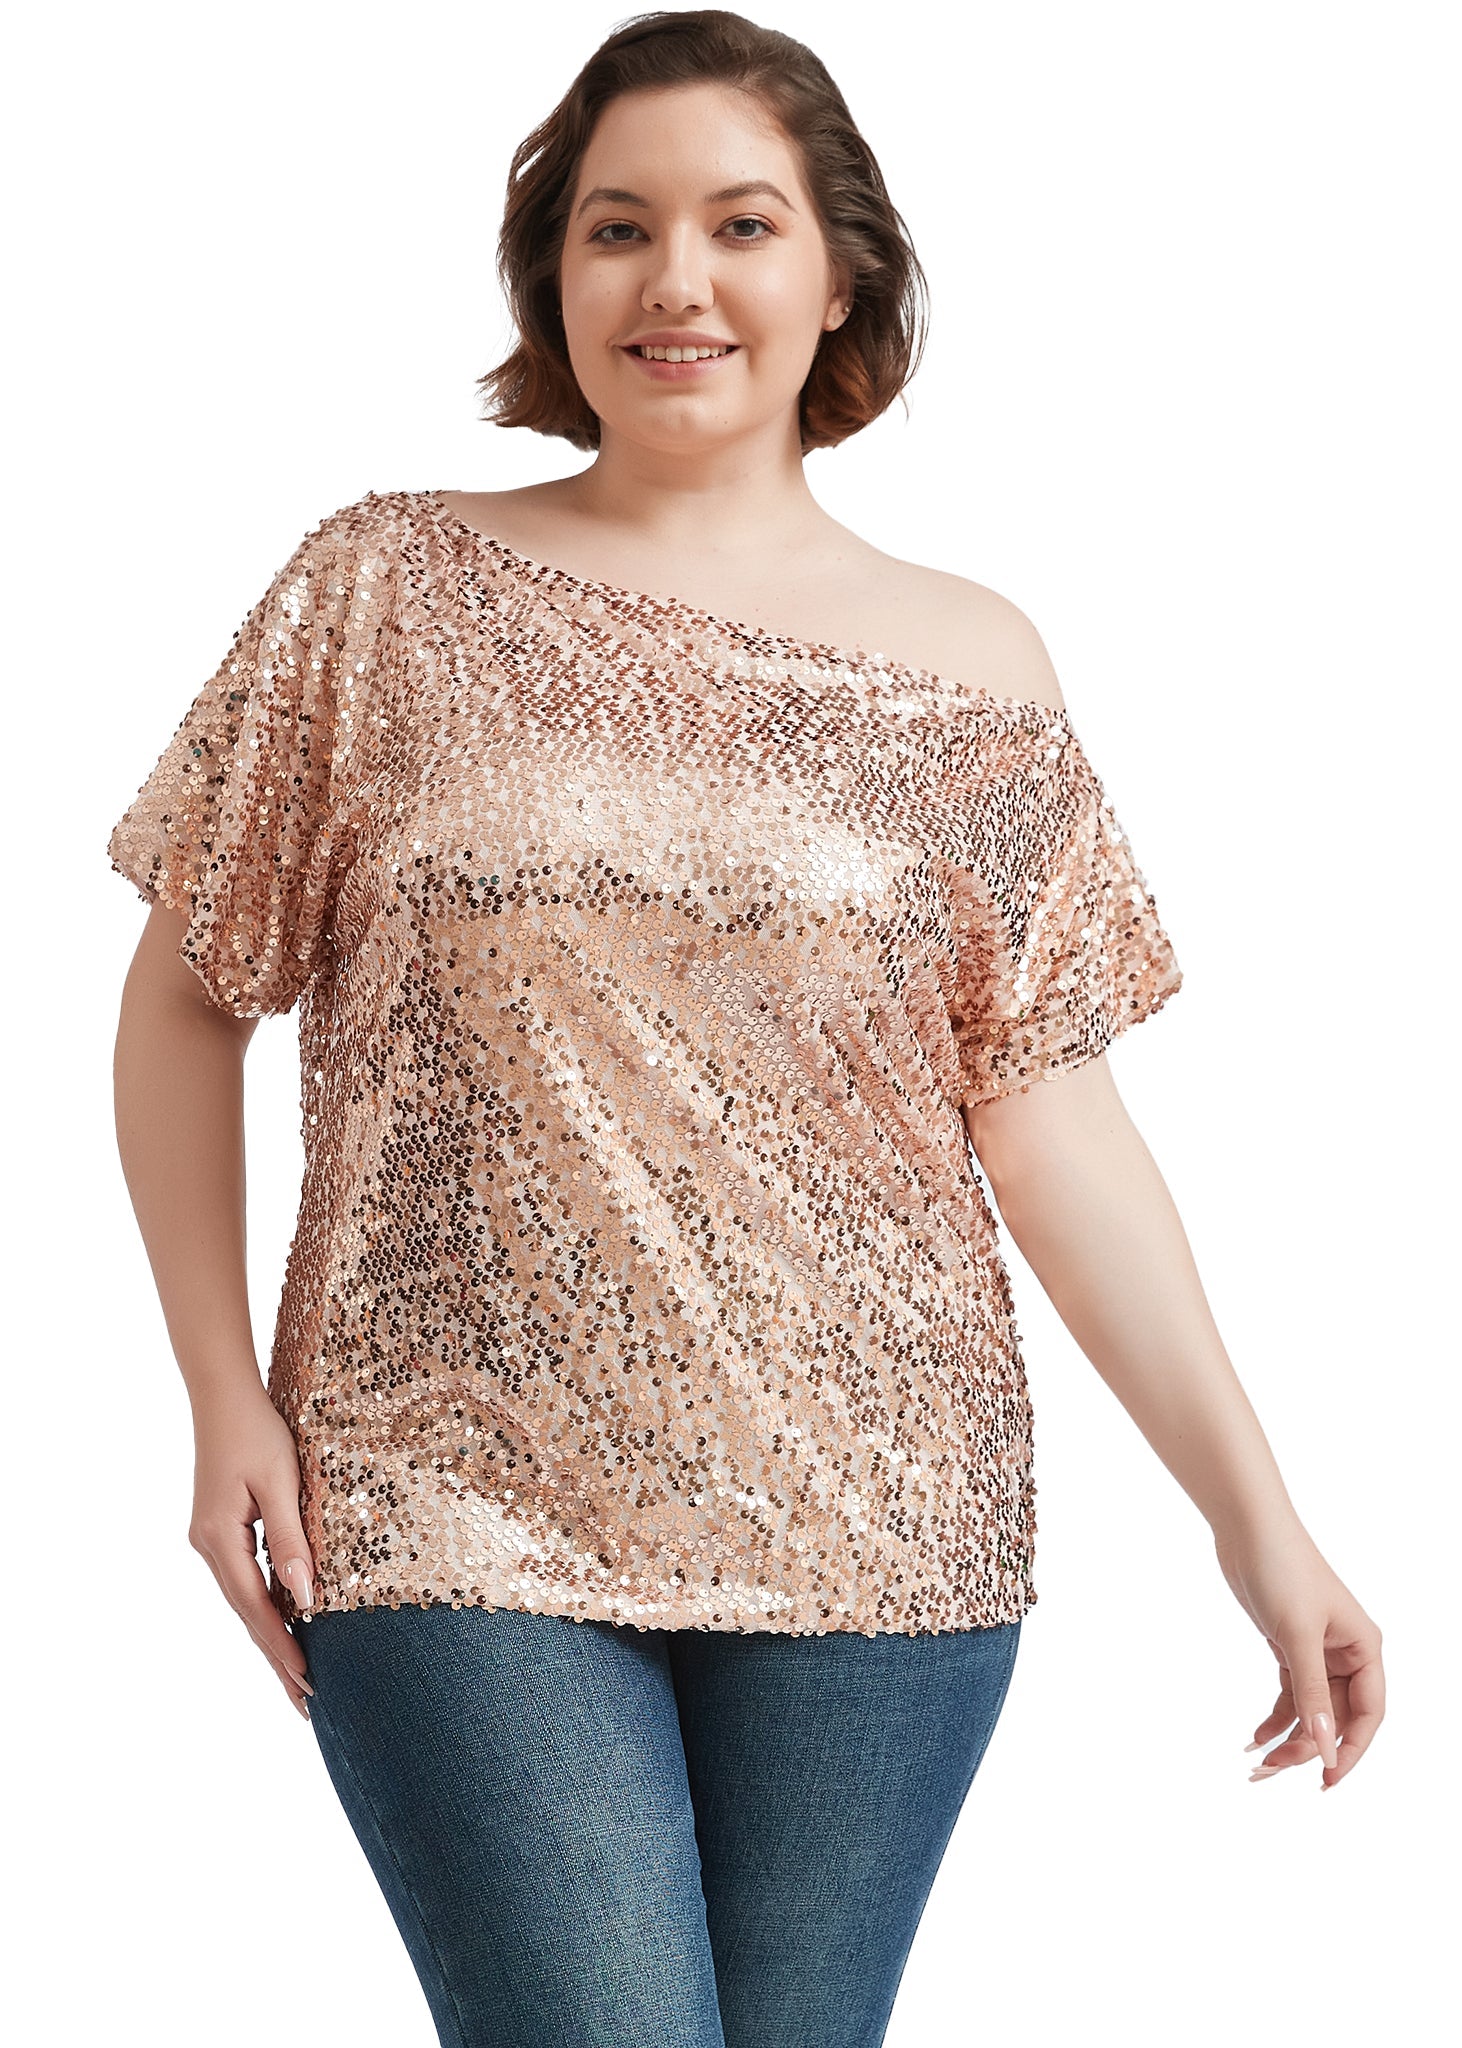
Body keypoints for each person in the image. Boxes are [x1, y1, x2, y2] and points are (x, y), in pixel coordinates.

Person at [107, 10, 1385, 2046]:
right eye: (616, 229)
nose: (674, 282)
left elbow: (1050, 1123)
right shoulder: (381, 590)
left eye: (740, 224)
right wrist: (216, 1399)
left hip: (883, 1517)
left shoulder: (972, 664)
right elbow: (188, 1002)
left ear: (839, 275)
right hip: (442, 1490)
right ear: (551, 276)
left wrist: (1258, 1518)